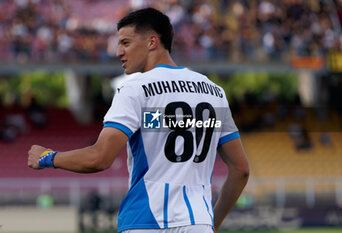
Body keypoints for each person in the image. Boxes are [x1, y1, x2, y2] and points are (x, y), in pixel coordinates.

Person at [28, 8, 249, 233]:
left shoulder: (135, 89)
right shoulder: (214, 93)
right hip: (198, 223)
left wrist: (47, 157)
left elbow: (100, 158)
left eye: (125, 42)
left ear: (152, 42)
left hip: (146, 221)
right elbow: (241, 169)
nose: (118, 52)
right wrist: (212, 223)